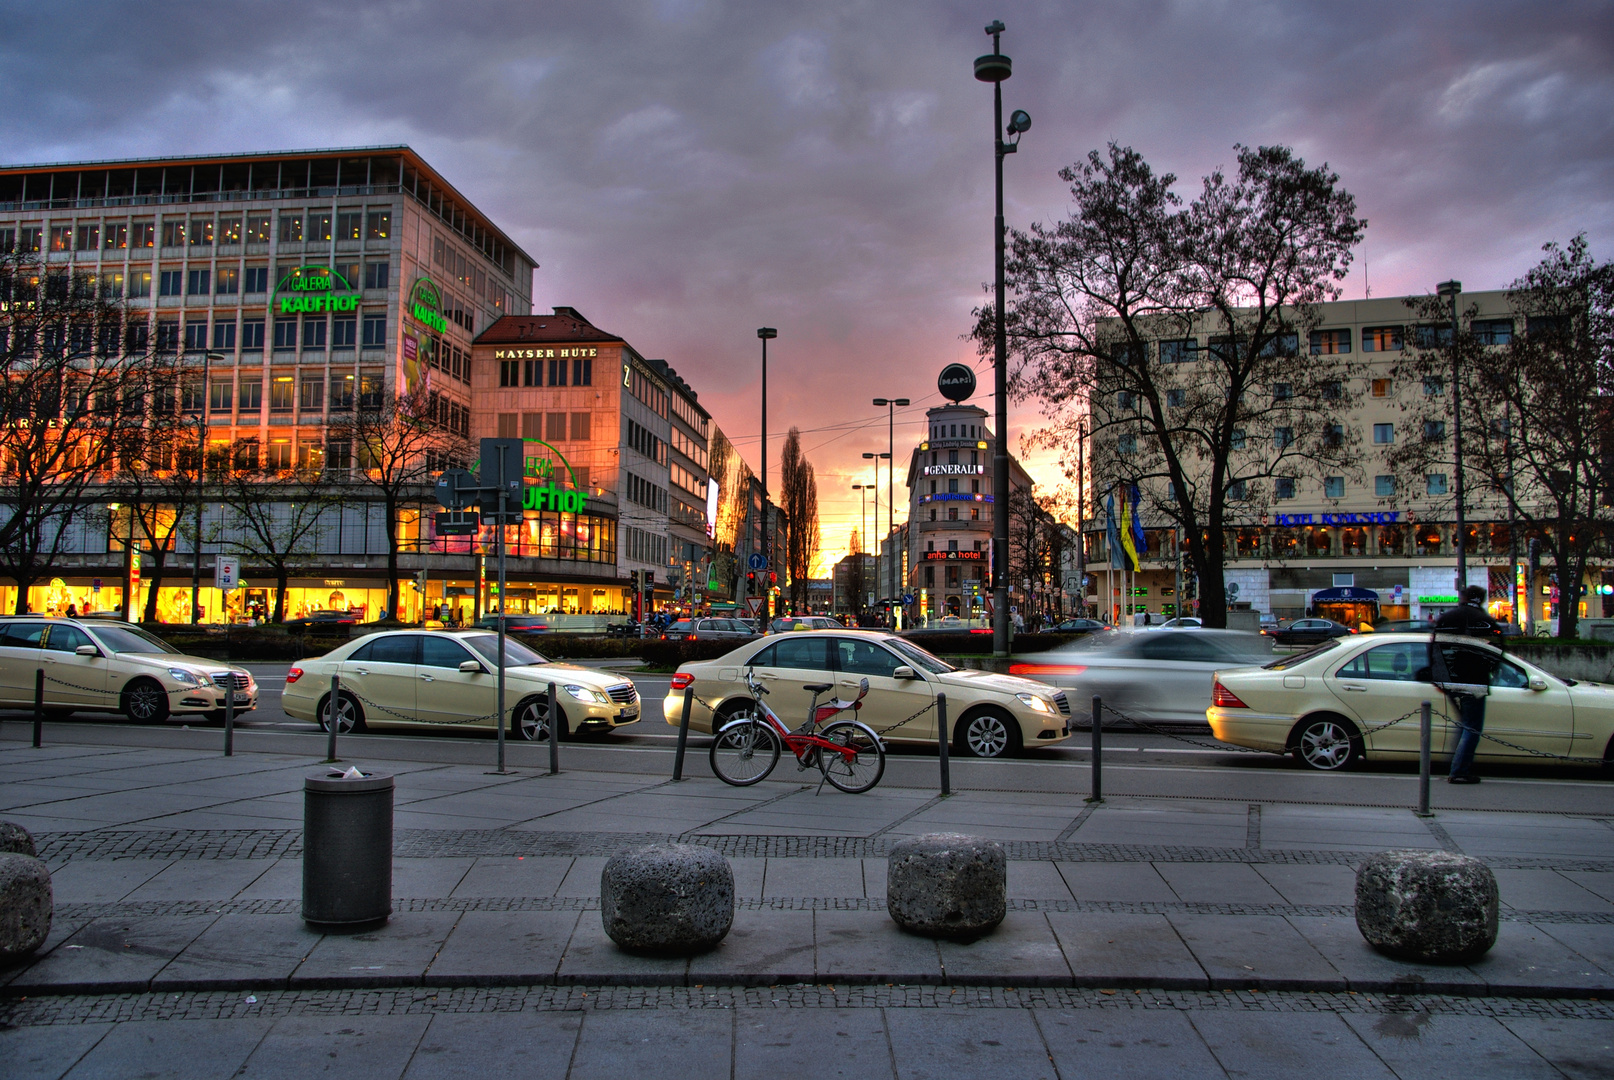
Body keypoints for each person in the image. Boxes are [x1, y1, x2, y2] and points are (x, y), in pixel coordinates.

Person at [1431, 585, 1504, 784]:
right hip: (1475, 682)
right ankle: (1459, 771)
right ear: (1481, 599)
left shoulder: (1447, 617)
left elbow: (1435, 648)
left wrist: (1440, 678)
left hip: (1450, 681)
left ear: (1463, 597)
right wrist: (1490, 673)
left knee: (1464, 724)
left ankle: (1456, 763)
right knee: (1472, 727)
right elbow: (1496, 653)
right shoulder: (1486, 621)